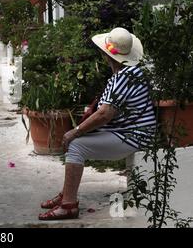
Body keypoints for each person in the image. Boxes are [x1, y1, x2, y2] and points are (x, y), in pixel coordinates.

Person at [39, 27, 157, 220]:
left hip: (132, 136)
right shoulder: (132, 71)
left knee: (76, 145)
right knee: (79, 138)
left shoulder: (124, 77)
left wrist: (75, 131)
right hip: (130, 131)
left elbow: (105, 114)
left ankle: (68, 205)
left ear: (106, 55)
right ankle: (66, 195)